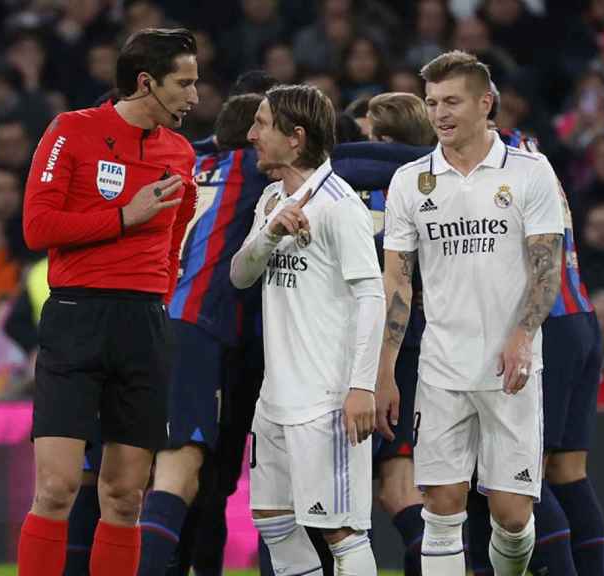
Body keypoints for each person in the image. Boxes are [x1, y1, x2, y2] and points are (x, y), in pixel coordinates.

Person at [18, 28, 199, 576]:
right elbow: (36, 226)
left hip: (143, 324)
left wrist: (156, 309)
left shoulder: (181, 152)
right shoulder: (72, 131)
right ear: (147, 83)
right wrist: (125, 216)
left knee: (125, 496)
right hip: (77, 317)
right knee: (56, 487)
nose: (195, 96)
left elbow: (173, 247)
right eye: (184, 83)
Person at [379, 51, 565, 575]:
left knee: (510, 515)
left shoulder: (530, 171)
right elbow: (398, 280)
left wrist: (522, 335)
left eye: (451, 101)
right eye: (432, 102)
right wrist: (385, 367)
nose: (439, 113)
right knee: (440, 504)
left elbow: (546, 269)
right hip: (441, 366)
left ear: (485, 103)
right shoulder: (410, 182)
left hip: (511, 367)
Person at [230, 84, 384, 576]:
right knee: (273, 520)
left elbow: (372, 296)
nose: (251, 135)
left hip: (325, 399)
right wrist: (271, 231)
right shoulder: (273, 199)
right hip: (275, 396)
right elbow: (240, 274)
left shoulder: (340, 206)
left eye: (261, 124)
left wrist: (362, 386)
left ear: (295, 137)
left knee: (340, 531)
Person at [465, 87, 604, 576]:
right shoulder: (530, 151)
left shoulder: (491, 165)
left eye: (447, 106)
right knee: (566, 473)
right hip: (580, 317)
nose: (439, 120)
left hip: (542, 325)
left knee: (510, 474)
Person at [136, 93, 267, 576]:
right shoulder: (253, 168)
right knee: (181, 472)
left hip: (142, 320)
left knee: (132, 475)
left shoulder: (182, 161)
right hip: (190, 332)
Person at [332, 91, 437, 576]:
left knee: (334, 495)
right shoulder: (435, 184)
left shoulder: (331, 179)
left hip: (340, 348)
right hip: (414, 349)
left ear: (383, 136)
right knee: (400, 487)